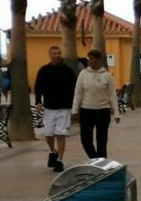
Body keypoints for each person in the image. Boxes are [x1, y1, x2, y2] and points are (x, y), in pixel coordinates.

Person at [34, 42, 77, 172]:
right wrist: (38, 101)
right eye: (54, 53)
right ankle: (53, 151)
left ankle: (60, 160)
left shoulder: (68, 71)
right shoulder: (44, 70)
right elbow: (38, 86)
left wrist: (75, 105)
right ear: (50, 55)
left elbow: (74, 88)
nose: (57, 55)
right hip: (49, 107)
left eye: (59, 53)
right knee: (48, 133)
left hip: (64, 108)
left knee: (61, 134)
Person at [73, 48, 119, 159]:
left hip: (102, 111)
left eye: (93, 59)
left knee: (101, 141)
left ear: (99, 60)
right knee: (85, 140)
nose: (91, 61)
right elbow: (78, 93)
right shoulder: (83, 74)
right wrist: (74, 110)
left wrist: (116, 113)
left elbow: (112, 95)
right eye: (89, 59)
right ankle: (94, 159)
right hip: (86, 111)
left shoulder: (107, 76)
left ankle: (102, 163)